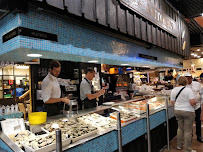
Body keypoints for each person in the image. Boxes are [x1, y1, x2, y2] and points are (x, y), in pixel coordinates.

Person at [171, 76, 196, 152]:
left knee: (180, 128)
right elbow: (192, 102)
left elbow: (172, 102)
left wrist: (179, 104)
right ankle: (187, 149)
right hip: (188, 111)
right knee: (188, 131)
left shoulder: (173, 90)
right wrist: (195, 102)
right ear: (186, 82)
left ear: (178, 82)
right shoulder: (188, 90)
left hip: (178, 110)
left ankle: (179, 145)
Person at [185, 72, 203, 143]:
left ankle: (199, 136)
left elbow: (201, 94)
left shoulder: (197, 84)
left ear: (191, 78)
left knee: (198, 122)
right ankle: (190, 136)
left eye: (189, 78)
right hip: (188, 107)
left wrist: (201, 104)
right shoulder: (184, 86)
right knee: (189, 122)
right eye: (186, 78)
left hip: (197, 106)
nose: (188, 80)